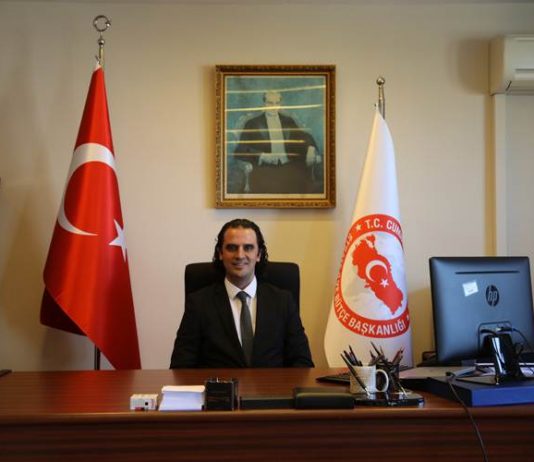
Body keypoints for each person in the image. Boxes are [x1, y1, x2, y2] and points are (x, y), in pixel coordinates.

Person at [170, 219, 314, 368]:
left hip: (271, 384)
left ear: (259, 254)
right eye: (232, 248)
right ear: (220, 253)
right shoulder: (199, 303)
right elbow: (181, 367)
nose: (239, 255)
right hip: (219, 384)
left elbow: (303, 363)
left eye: (248, 247)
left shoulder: (283, 301)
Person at [232, 90, 322, 194]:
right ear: (264, 103)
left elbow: (304, 136)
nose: (273, 107)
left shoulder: (288, 121)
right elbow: (241, 150)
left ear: (280, 104)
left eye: (277, 103)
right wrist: (262, 156)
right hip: (264, 170)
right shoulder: (253, 124)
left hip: (290, 167)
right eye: (270, 103)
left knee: (302, 188)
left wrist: (310, 148)